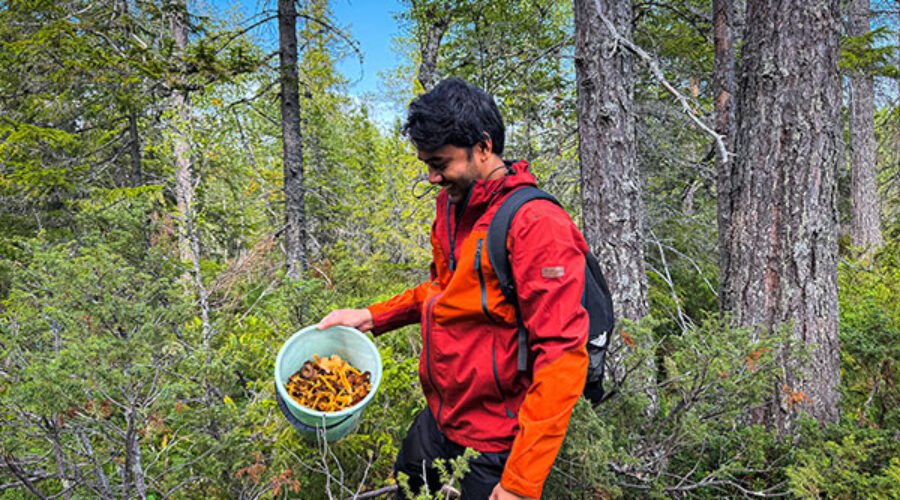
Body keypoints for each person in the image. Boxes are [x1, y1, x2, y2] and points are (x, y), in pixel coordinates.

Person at [317, 77, 589, 500]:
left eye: (440, 163)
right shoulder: (452, 206)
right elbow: (442, 290)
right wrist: (372, 316)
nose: (431, 177)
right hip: (441, 419)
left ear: (482, 147)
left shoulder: (538, 225)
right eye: (426, 163)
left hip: (496, 442)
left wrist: (520, 481)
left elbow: (561, 358)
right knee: (408, 482)